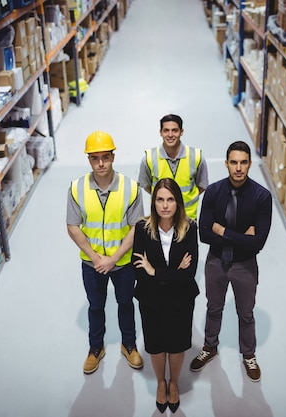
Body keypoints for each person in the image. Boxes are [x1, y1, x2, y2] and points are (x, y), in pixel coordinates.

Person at [190, 140, 272, 382]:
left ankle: (249, 355)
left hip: (245, 265)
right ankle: (210, 347)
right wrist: (241, 236)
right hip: (216, 262)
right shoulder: (214, 192)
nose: (238, 168)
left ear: (249, 164)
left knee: (245, 313)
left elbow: (257, 243)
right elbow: (204, 233)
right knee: (213, 308)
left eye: (244, 162)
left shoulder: (261, 197)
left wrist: (223, 231)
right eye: (234, 162)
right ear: (226, 163)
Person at [66, 130, 145, 375]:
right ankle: (95, 348)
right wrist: (95, 257)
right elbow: (72, 226)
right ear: (89, 159)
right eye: (95, 158)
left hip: (122, 262)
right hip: (92, 264)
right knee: (96, 306)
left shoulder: (131, 188)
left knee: (125, 303)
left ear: (113, 156)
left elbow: (136, 228)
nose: (101, 163)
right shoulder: (77, 188)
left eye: (105, 157)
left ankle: (128, 344)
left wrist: (112, 259)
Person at [132, 178, 199, 413]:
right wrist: (172, 273)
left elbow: (189, 273)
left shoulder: (190, 228)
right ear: (154, 203)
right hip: (151, 300)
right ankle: (161, 382)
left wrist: (156, 272)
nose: (165, 205)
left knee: (178, 344)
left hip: (181, 300)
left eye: (170, 199)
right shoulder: (142, 228)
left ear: (178, 203)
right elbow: (139, 269)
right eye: (160, 199)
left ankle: (173, 383)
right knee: (157, 344)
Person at [138, 114, 209, 220]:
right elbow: (146, 185)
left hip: (187, 218)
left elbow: (202, 185)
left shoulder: (196, 157)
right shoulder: (149, 158)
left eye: (175, 130)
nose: (170, 135)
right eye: (166, 130)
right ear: (160, 132)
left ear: (182, 132)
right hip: (161, 219)